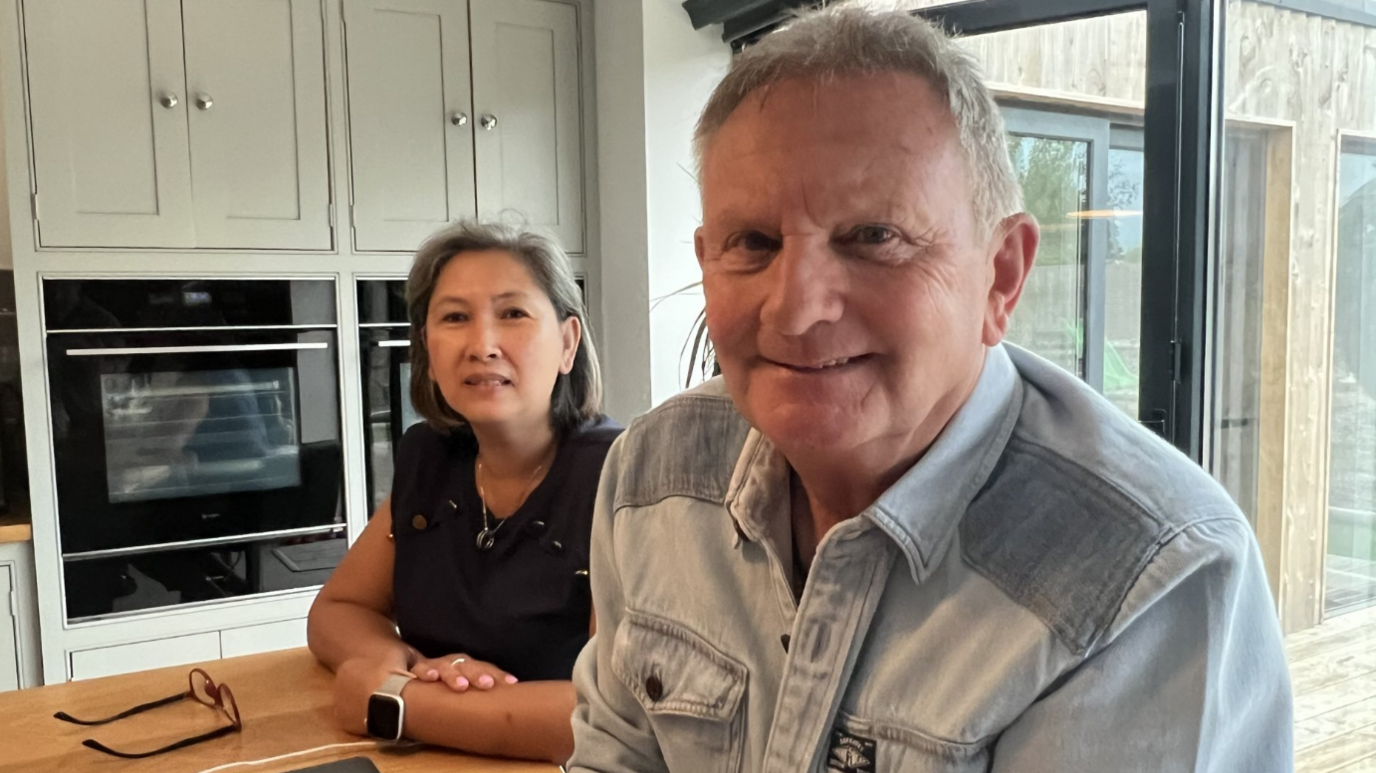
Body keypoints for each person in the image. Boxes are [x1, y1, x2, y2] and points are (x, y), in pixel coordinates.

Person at [568, 7, 1293, 772]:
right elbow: (614, 752)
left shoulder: (1144, 582)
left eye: (874, 236)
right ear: (707, 258)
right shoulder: (652, 476)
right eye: (753, 242)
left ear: (1002, 275)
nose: (796, 307)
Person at [308, 222, 620, 763]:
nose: (482, 345)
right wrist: (410, 666)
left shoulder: (623, 477)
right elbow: (338, 610)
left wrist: (398, 702)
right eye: (454, 318)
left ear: (567, 343)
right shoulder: (428, 457)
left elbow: (615, 712)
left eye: (513, 313)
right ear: (427, 346)